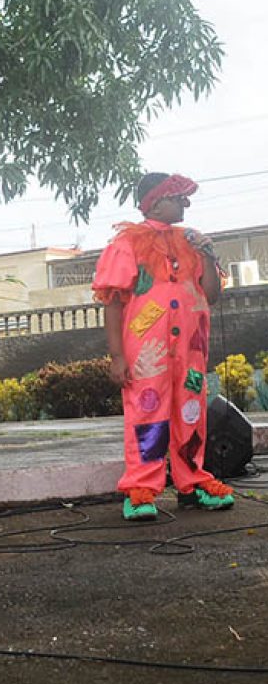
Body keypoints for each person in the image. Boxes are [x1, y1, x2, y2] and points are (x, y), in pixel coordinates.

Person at [93, 171, 234, 520]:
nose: (185, 203)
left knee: (191, 413)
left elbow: (212, 294)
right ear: (154, 201)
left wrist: (206, 257)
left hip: (191, 349)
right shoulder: (127, 244)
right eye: (177, 198)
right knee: (148, 415)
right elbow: (112, 302)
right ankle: (142, 488)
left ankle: (193, 481)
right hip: (147, 353)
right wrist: (116, 355)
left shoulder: (193, 241)